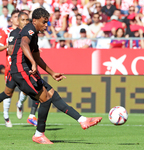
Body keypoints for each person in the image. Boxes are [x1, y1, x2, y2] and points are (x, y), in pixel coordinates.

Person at [10, 8, 102, 144]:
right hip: (20, 70)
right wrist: (33, 63)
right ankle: (39, 134)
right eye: (44, 22)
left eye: (47, 22)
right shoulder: (29, 29)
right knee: (45, 99)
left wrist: (52, 73)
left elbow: (37, 56)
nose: (46, 25)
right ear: (35, 21)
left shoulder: (34, 34)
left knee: (53, 94)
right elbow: (23, 44)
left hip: (26, 69)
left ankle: (82, 120)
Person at [0, 11, 38, 127]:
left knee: (37, 88)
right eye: (23, 20)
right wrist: (23, 49)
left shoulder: (30, 32)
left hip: (25, 67)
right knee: (8, 93)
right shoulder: (13, 33)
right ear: (16, 20)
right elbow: (9, 50)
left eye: (27, 20)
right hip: (15, 68)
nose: (25, 22)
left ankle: (31, 115)